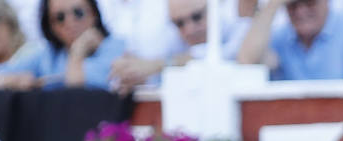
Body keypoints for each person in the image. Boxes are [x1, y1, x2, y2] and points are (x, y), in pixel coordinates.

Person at [108, 0, 256, 92]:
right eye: (179, 23)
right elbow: (155, 71)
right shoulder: (172, 39)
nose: (189, 29)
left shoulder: (239, 26)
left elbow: (231, 55)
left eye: (197, 16)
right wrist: (135, 75)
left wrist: (159, 65)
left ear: (214, 7)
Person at [0, 0, 125, 89]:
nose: (70, 22)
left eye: (78, 12)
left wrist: (77, 52)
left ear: (93, 14)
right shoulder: (48, 55)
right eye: (60, 17)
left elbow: (76, 84)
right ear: (51, 27)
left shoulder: (115, 49)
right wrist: (9, 80)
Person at [236, 0, 343, 80]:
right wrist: (273, 4)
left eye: (309, 2)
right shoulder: (281, 37)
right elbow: (247, 60)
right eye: (292, 4)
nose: (301, 11)